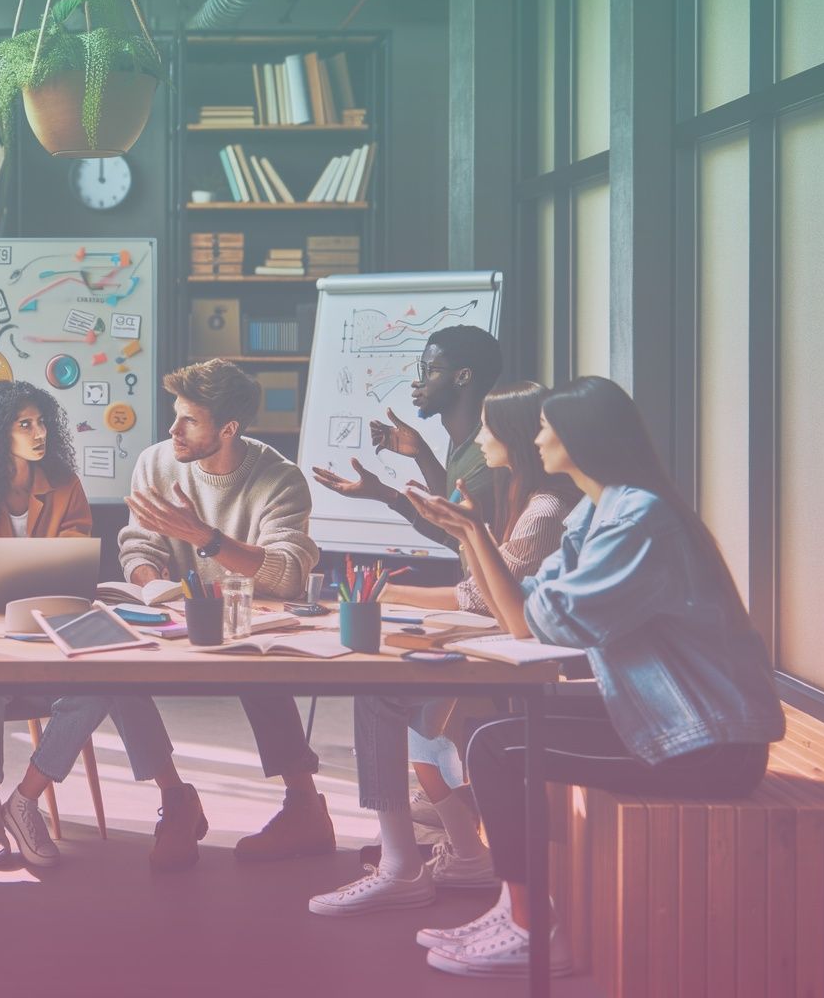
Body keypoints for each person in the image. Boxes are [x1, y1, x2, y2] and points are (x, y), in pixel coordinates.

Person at [405, 377, 784, 977]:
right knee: (496, 731)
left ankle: (533, 932)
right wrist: (468, 533)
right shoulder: (599, 510)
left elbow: (545, 621)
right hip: (668, 718)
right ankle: (515, 909)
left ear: (581, 440)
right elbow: (522, 608)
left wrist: (475, 534)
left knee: (497, 746)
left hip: (710, 744)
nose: (536, 437)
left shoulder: (641, 518)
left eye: (546, 429)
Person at [306, 382, 580, 916]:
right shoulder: (525, 499)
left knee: (387, 695)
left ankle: (402, 867)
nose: (477, 438)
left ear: (516, 436)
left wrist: (380, 588)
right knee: (404, 702)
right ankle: (454, 854)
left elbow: (477, 598)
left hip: (533, 661)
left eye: (486, 428)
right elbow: (482, 583)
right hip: (521, 649)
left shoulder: (545, 510)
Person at [118, 358, 323, 863]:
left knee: (259, 663)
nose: (172, 430)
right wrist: (155, 590)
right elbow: (138, 549)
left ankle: (305, 808)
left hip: (244, 620)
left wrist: (203, 538)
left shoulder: (279, 478)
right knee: (112, 671)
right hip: (171, 613)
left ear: (228, 429)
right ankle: (175, 798)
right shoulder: (157, 461)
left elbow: (286, 573)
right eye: (175, 415)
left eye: (188, 420)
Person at [0, 381, 109, 868]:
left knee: (101, 688)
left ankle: (26, 798)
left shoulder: (65, 483)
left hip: (51, 629)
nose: (39, 433)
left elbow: (75, 557)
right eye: (25, 424)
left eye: (41, 423)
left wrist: (13, 570)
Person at [313, 324, 504, 561]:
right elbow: (452, 526)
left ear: (462, 376)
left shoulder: (489, 456)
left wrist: (390, 494)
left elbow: (452, 533)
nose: (418, 382)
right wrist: (416, 458)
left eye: (430, 370)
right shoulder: (463, 445)